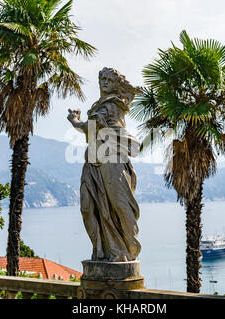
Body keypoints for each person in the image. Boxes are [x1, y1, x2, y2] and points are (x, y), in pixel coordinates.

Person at [67, 67, 142, 262]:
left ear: (116, 85)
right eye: (102, 78)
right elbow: (91, 129)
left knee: (118, 204)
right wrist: (77, 122)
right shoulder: (98, 105)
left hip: (111, 159)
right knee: (88, 206)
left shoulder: (114, 104)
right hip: (92, 161)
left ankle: (126, 248)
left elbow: (102, 128)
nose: (105, 82)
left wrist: (77, 123)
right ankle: (101, 249)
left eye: (109, 79)